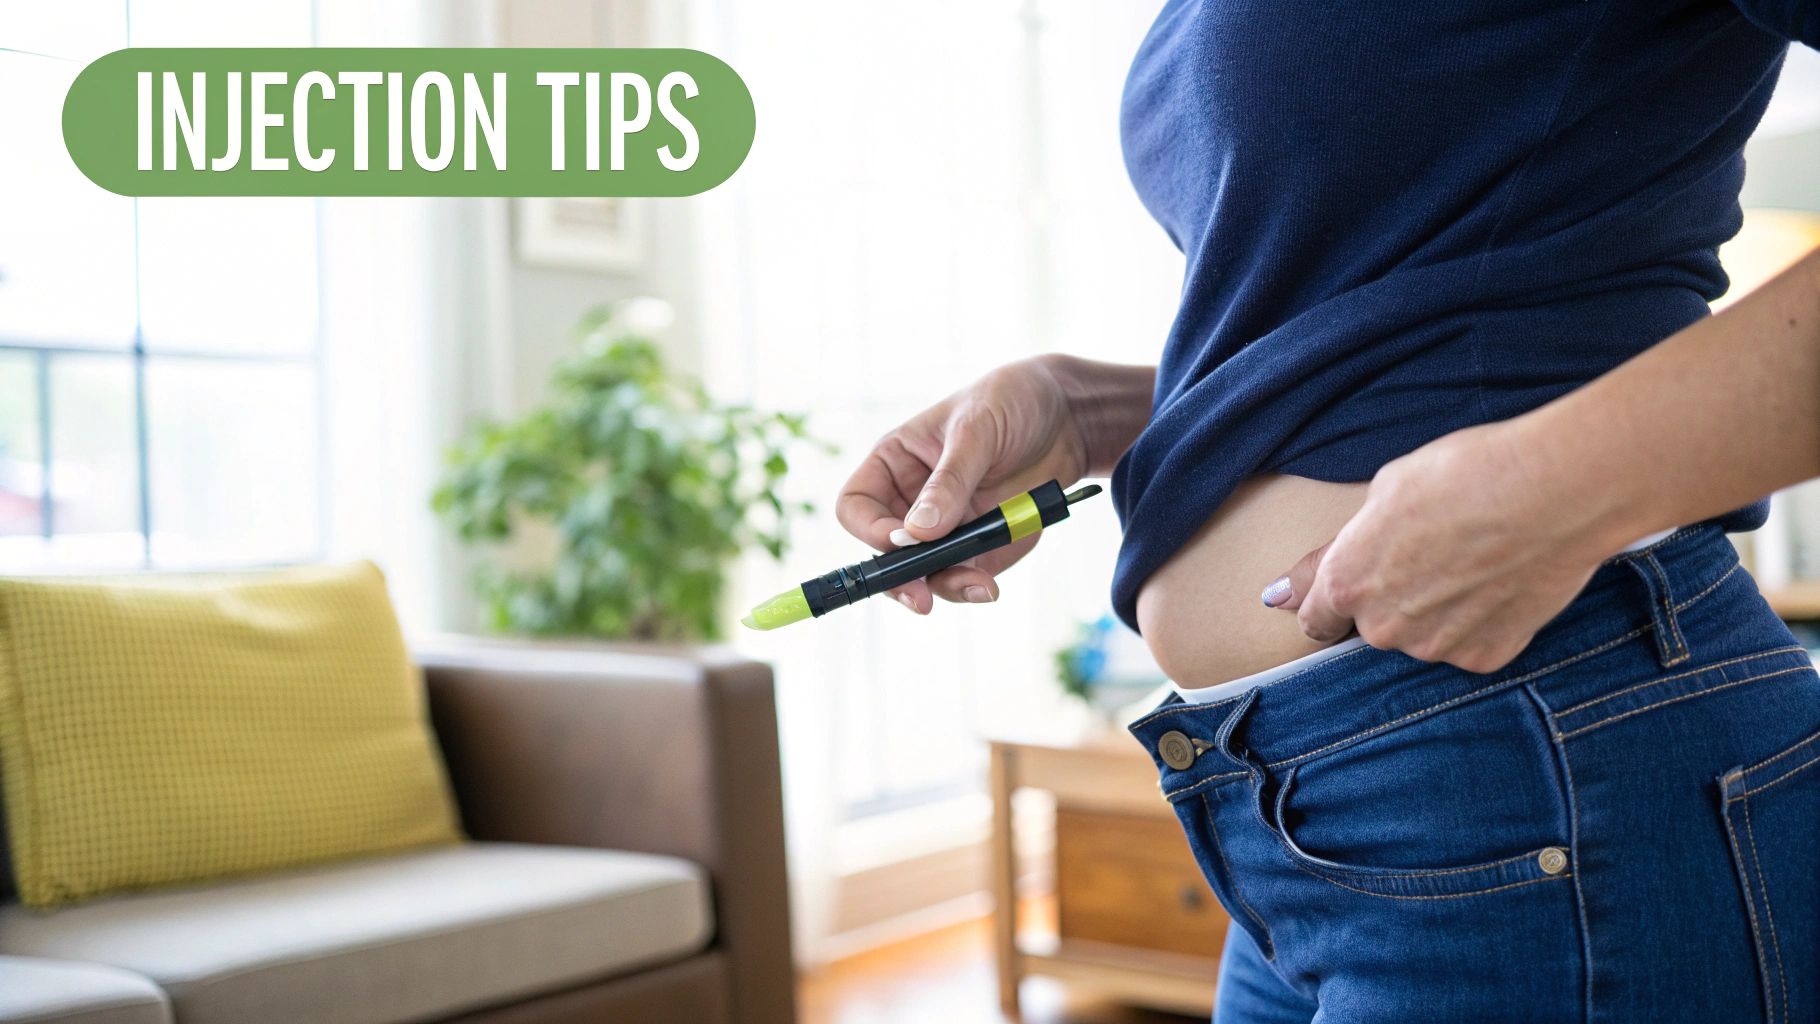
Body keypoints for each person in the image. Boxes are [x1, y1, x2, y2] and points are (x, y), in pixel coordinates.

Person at [836, 2, 1820, 1021]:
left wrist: (1555, 483)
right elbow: (1399, 311)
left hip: (1539, 761)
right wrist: (1087, 406)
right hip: (1299, 811)